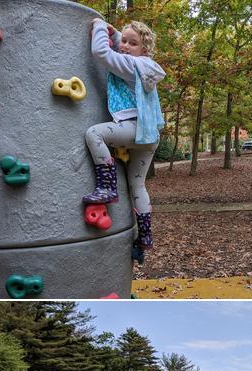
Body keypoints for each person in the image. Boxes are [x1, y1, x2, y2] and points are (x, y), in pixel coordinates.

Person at [85, 18, 165, 258]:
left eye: (133, 43)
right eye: (124, 41)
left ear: (144, 49)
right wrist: (117, 32)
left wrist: (100, 26)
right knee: (138, 184)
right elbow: (124, 43)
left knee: (94, 133)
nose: (125, 45)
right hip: (150, 135)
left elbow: (100, 52)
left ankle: (107, 187)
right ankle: (145, 235)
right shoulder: (144, 65)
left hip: (133, 128)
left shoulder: (131, 65)